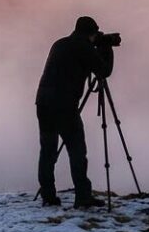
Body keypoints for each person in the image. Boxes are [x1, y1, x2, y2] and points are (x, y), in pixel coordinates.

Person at [35, 15, 114, 208]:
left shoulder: (60, 44)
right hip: (64, 106)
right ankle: (83, 197)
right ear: (91, 33)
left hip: (43, 102)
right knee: (77, 150)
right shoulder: (84, 47)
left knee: (48, 150)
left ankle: (48, 195)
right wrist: (107, 49)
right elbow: (104, 71)